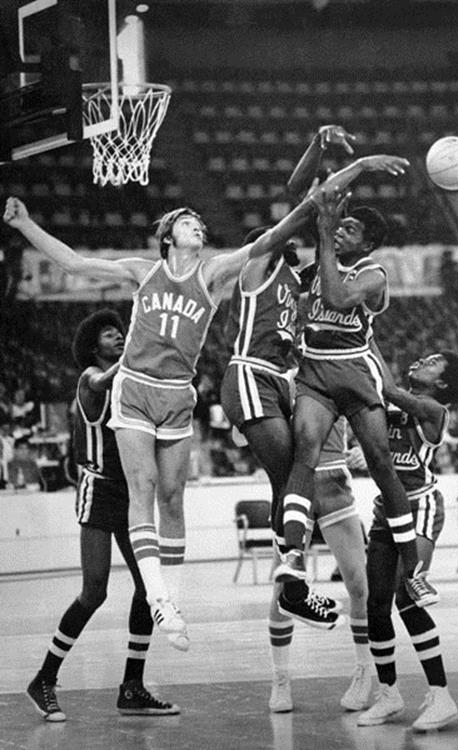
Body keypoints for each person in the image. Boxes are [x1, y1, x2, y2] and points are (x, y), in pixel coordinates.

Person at [4, 156, 379, 648]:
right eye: (187, 221)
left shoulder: (214, 273)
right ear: (168, 237)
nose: (197, 224)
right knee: (143, 488)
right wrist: (25, 224)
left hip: (178, 394)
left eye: (200, 223)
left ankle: (180, 601)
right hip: (136, 388)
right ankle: (160, 598)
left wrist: (321, 198)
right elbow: (74, 263)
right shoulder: (143, 271)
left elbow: (274, 235)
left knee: (173, 498)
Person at [273, 176, 440, 612]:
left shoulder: (372, 273)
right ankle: (293, 556)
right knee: (305, 453)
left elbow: (336, 296)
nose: (341, 231)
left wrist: (325, 235)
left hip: (354, 372)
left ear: (368, 243)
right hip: (314, 371)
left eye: (350, 229)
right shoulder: (319, 264)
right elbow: (296, 195)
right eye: (340, 226)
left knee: (381, 461)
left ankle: (414, 572)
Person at [26, 309, 179, 722]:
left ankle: (132, 686)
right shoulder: (90, 378)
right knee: (94, 591)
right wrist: (139, 350)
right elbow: (102, 381)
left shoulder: (128, 383)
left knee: (148, 587)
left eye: (120, 332)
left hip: (129, 492)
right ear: (94, 346)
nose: (118, 336)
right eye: (110, 334)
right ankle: (44, 679)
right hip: (97, 488)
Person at [356, 348, 458, 732]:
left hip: (420, 505)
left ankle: (441, 695)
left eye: (433, 362)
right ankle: (388, 694)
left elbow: (386, 388)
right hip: (385, 509)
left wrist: (363, 339)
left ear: (442, 383)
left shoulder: (435, 411)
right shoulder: (394, 403)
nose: (422, 361)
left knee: (407, 596)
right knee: (376, 604)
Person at [268, 417, 371, 713]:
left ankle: (364, 670)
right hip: (293, 484)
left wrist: (365, 447)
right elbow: (243, 434)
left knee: (359, 585)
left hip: (333, 480)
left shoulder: (337, 384)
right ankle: (280, 678)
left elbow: (371, 415)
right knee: (283, 588)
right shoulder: (275, 386)